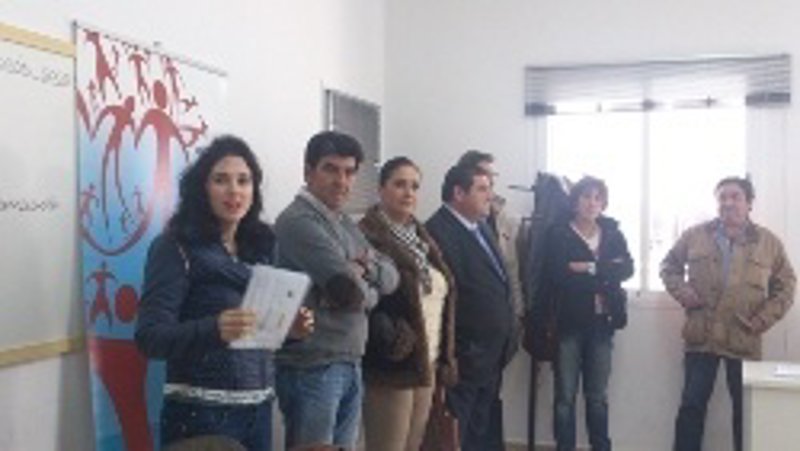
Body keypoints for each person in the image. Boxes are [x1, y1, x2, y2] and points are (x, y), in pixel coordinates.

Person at [135, 135, 314, 451]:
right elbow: (150, 337)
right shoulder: (175, 247)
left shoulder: (261, 247)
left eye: (243, 181)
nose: (234, 190)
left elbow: (255, 334)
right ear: (201, 188)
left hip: (258, 410)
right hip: (199, 414)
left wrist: (290, 331)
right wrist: (213, 328)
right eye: (221, 180)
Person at [273, 131, 399, 451]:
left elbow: (392, 277)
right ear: (308, 171)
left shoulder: (343, 221)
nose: (341, 181)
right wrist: (364, 286)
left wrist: (364, 270)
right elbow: (349, 295)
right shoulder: (298, 221)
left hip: (348, 360)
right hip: (312, 366)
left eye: (349, 172)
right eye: (330, 169)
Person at [661, 176, 796, 451]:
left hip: (744, 336)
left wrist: (763, 319)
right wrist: (683, 292)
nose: (728, 203)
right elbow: (669, 266)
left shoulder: (768, 242)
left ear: (749, 203)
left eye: (735, 197)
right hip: (702, 335)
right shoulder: (695, 235)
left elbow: (787, 286)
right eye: (722, 197)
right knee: (691, 406)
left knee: (746, 412)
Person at [358, 156, 458, 451]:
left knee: (413, 446)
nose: (408, 193)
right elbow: (364, 298)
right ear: (381, 189)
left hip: (427, 361)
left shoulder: (421, 238)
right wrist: (392, 337)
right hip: (392, 363)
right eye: (399, 184)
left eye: (414, 186)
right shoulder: (367, 235)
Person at [425, 163, 515, 451]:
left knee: (480, 434)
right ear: (459, 193)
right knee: (456, 436)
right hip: (464, 356)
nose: (490, 196)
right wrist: (460, 350)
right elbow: (444, 298)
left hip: (491, 355)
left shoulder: (480, 227)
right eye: (482, 189)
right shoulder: (437, 232)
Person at [544, 176, 633, 451]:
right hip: (568, 324)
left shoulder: (612, 232)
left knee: (597, 397)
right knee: (565, 397)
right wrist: (605, 272)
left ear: (603, 203)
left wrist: (589, 268)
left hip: (602, 324)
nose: (591, 203)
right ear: (575, 201)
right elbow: (558, 275)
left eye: (597, 198)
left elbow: (627, 268)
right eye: (586, 196)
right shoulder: (559, 233)